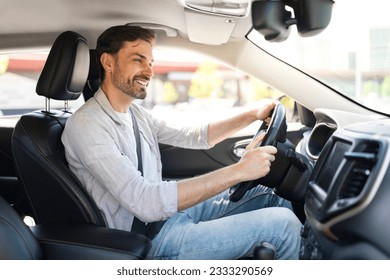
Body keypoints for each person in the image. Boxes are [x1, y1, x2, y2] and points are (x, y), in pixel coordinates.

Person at [61, 25, 302, 260]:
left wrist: (251, 115)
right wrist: (239, 171)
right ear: (108, 62)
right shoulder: (87, 125)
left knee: (271, 194)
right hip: (148, 240)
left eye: (150, 62)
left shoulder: (136, 115)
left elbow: (194, 135)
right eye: (138, 60)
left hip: (168, 218)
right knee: (283, 225)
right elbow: (146, 203)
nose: (149, 71)